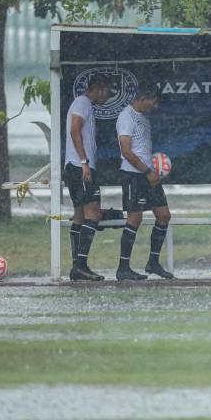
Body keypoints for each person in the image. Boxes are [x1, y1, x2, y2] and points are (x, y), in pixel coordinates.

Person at [115, 81, 175, 280]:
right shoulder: (126, 116)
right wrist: (147, 171)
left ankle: (153, 263)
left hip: (149, 174)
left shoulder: (144, 117)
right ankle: (123, 268)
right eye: (153, 102)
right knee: (135, 218)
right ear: (143, 98)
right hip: (134, 175)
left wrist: (153, 169)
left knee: (164, 215)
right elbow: (126, 151)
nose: (155, 106)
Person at [64, 75, 112, 281]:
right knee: (93, 214)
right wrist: (84, 161)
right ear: (98, 89)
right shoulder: (82, 102)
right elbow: (74, 129)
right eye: (108, 92)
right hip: (79, 167)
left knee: (80, 216)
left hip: (75, 167)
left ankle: (77, 265)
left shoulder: (85, 104)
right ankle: (81, 265)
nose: (108, 97)